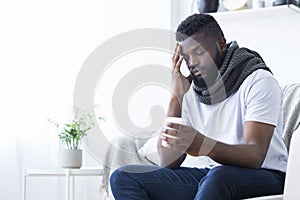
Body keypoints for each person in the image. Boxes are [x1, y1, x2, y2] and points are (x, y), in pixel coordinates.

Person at [110, 13, 288, 200]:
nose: (192, 62)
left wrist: (204, 145)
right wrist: (176, 96)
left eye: (199, 52)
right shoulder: (192, 90)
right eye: (186, 57)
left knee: (219, 177)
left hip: (267, 176)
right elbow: (168, 161)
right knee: (123, 177)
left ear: (221, 44)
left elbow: (255, 155)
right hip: (215, 177)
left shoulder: (257, 80)